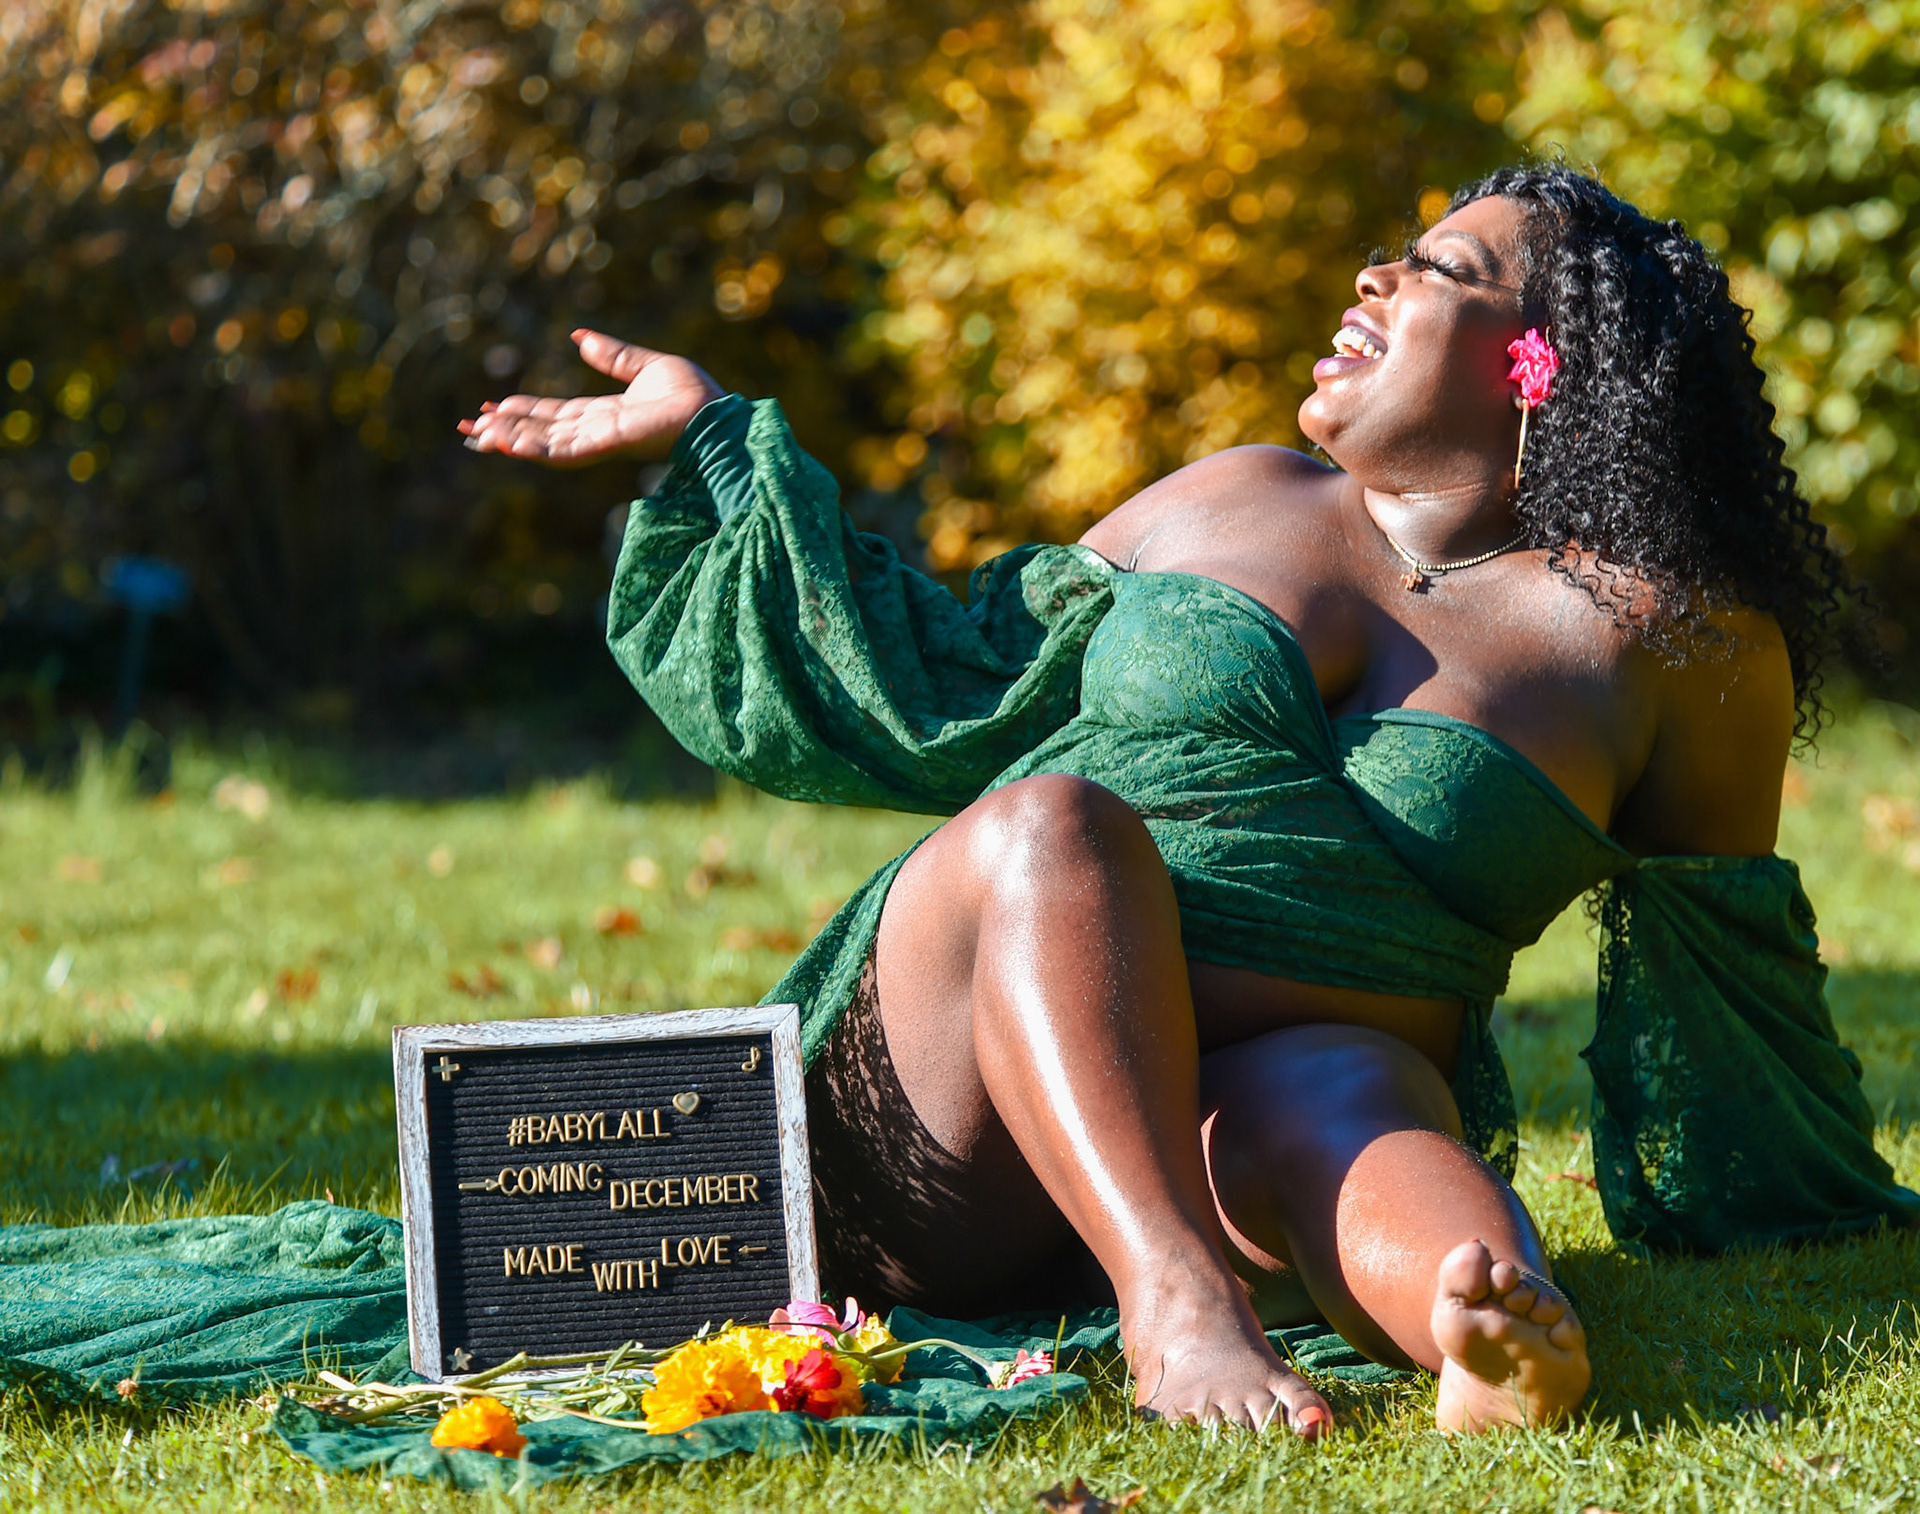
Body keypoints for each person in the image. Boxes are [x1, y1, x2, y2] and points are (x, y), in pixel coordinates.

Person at [460, 164, 1916, 1435]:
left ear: (1542, 363)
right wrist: (719, 436)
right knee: (1057, 825)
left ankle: (1488, 1324)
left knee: (1345, 1085)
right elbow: (930, 679)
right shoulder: (1228, 499)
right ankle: (1174, 1305)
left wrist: (1777, 1179)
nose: (1375, 274)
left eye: (1438, 267)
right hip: (964, 1118)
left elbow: (1720, 968)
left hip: (1253, 1147)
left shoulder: (1669, 645)